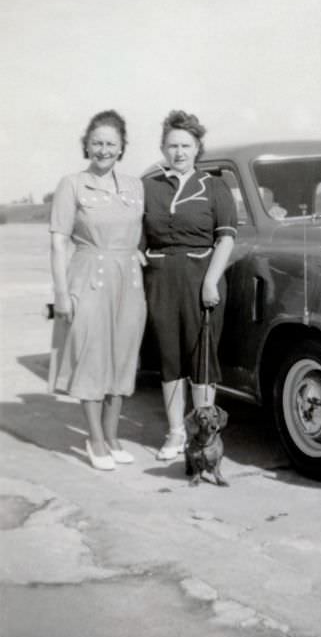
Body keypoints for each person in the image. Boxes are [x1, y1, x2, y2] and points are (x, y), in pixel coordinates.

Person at [49, 110, 146, 471]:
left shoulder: (135, 186)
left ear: (122, 148)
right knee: (91, 356)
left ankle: (112, 434)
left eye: (111, 144)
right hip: (88, 276)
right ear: (86, 145)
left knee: (122, 357)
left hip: (130, 280)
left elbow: (140, 232)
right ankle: (94, 440)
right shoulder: (71, 184)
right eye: (97, 143)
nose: (104, 150)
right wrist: (61, 293)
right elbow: (59, 243)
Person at [142, 110, 237, 461]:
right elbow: (135, 237)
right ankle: (175, 433)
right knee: (169, 359)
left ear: (197, 147)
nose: (179, 152)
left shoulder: (214, 187)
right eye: (172, 146)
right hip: (162, 280)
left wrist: (211, 281)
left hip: (202, 279)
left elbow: (225, 239)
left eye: (185, 145)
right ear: (163, 149)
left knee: (202, 360)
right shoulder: (149, 187)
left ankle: (202, 437)